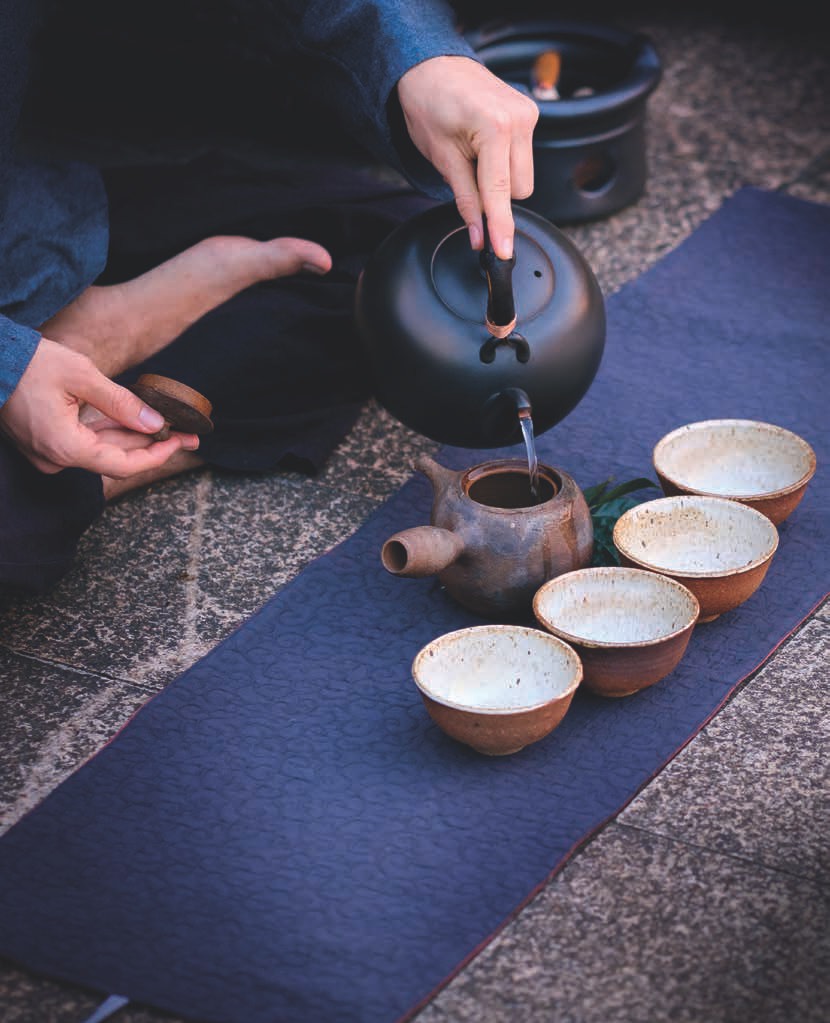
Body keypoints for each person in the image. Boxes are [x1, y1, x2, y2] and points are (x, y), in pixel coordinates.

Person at [0, 0, 538, 594]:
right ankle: (82, 428)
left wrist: (422, 59)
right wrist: (8, 365)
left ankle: (83, 342)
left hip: (29, 211)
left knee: (405, 264)